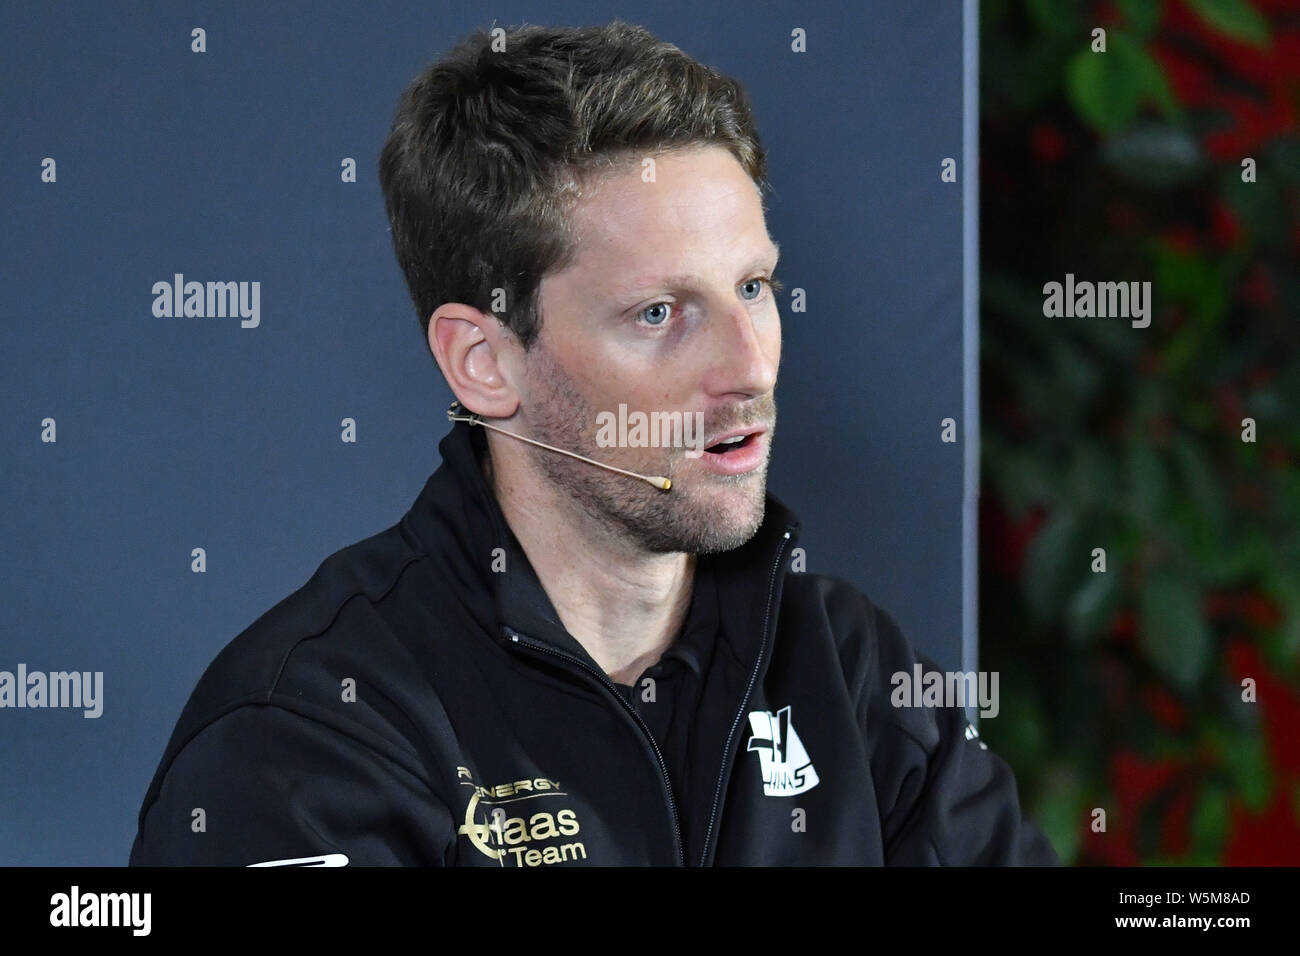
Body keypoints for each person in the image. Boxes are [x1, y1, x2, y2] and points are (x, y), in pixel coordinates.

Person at [128, 19, 1057, 867]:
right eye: (659, 312)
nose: (751, 368)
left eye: (754, 288)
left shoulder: (851, 674)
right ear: (485, 361)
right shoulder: (311, 730)